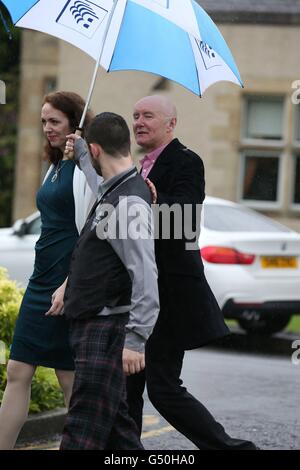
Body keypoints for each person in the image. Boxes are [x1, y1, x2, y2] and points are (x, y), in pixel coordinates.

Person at [126, 94, 259, 450]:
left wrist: (154, 201)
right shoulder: (140, 167)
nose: (138, 122)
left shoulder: (187, 161)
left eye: (148, 116)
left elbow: (184, 219)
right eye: (135, 115)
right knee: (128, 386)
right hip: (142, 291)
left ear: (171, 124)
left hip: (170, 295)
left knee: (164, 389)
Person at [49, 112, 159, 450]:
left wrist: (136, 340)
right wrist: (81, 151)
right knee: (117, 431)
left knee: (82, 429)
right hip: (96, 323)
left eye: (90, 151)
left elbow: (145, 276)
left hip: (106, 327)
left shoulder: (128, 203)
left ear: (99, 150)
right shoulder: (116, 187)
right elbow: (100, 188)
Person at [0, 91, 95, 450]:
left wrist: (70, 285)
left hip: (66, 284)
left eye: (54, 121)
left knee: (69, 379)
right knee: (17, 371)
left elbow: (91, 234)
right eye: (43, 121)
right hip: (40, 282)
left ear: (75, 123)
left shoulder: (86, 171)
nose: (47, 128)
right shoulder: (55, 165)